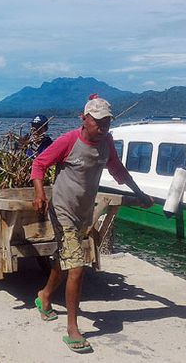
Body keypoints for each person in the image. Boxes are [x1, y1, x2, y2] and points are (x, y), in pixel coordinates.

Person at [30, 94, 153, 353]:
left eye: (107, 122)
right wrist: (40, 193)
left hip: (84, 212)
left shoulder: (107, 142)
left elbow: (118, 170)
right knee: (77, 268)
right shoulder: (68, 141)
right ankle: (73, 329)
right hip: (63, 210)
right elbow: (39, 164)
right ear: (84, 119)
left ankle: (44, 295)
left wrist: (139, 194)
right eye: (98, 121)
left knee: (65, 260)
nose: (103, 127)